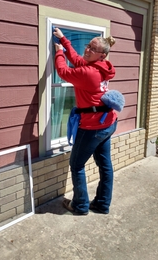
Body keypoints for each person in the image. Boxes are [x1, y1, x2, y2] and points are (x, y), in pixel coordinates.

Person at [53, 27, 117, 215]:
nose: (87, 49)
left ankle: (80, 206)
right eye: (88, 45)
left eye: (92, 48)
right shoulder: (101, 67)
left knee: (77, 165)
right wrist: (64, 40)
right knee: (105, 166)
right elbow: (78, 60)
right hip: (108, 122)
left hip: (92, 127)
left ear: (102, 55)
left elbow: (63, 71)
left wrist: (58, 53)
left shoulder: (89, 73)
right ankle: (102, 204)